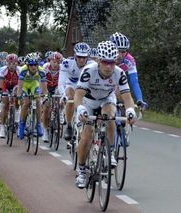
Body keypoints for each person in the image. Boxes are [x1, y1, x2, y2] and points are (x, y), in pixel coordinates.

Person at [74, 41, 136, 189]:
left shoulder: (119, 73)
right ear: (98, 61)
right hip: (88, 102)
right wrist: (80, 108)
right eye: (105, 62)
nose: (109, 66)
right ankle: (81, 170)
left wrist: (130, 111)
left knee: (110, 116)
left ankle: (110, 152)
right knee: (86, 137)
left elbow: (127, 97)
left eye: (112, 63)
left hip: (106, 99)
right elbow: (78, 95)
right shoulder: (89, 70)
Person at [58, 42, 93, 142]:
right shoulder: (67, 63)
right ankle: (69, 126)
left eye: (84, 57)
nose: (81, 59)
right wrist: (63, 95)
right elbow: (61, 83)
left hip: (84, 85)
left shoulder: (92, 65)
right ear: (75, 56)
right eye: (79, 56)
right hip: (71, 84)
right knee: (71, 97)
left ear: (88, 57)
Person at [110, 32, 148, 109]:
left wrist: (139, 99)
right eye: (117, 51)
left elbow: (134, 82)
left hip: (115, 82)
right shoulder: (104, 57)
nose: (120, 55)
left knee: (124, 95)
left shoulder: (130, 61)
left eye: (123, 51)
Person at [17, 52, 48, 140]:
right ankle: (22, 125)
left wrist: (45, 95)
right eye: (31, 65)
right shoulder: (23, 70)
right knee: (26, 103)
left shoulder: (41, 70)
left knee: (38, 101)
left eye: (35, 64)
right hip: (25, 86)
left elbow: (44, 85)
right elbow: (20, 85)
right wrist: (19, 95)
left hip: (34, 85)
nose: (33, 67)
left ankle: (38, 124)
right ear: (27, 65)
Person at [41, 51, 63, 142]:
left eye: (58, 62)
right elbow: (41, 81)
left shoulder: (62, 68)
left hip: (57, 87)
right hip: (47, 87)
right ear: (50, 61)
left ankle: (60, 112)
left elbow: (63, 81)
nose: (56, 64)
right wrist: (44, 93)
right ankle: (45, 131)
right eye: (54, 61)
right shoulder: (45, 67)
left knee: (62, 99)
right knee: (46, 108)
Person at [0, 53, 20, 138]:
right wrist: (1, 92)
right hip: (6, 86)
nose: (11, 65)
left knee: (17, 102)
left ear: (17, 63)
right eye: (9, 63)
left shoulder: (20, 70)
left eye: (14, 63)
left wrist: (19, 93)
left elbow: (21, 83)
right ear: (6, 63)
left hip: (16, 86)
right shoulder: (3, 69)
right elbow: (1, 82)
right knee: (5, 105)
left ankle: (16, 121)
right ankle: (2, 127)